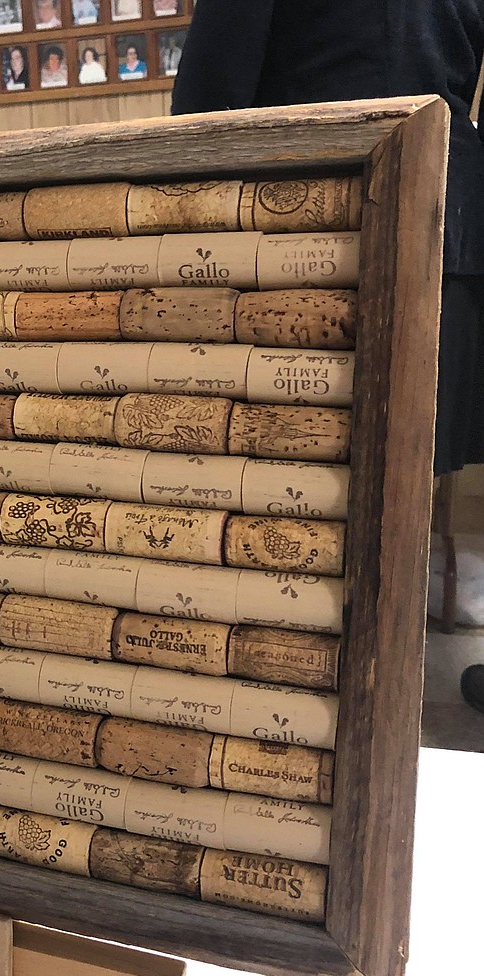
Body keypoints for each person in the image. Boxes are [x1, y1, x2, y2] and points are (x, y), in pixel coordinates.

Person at [172, 0, 484, 711]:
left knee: (306, 490)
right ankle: (378, 716)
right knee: (403, 487)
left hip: (318, 218)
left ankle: (312, 715)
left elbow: (209, 96)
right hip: (453, 212)